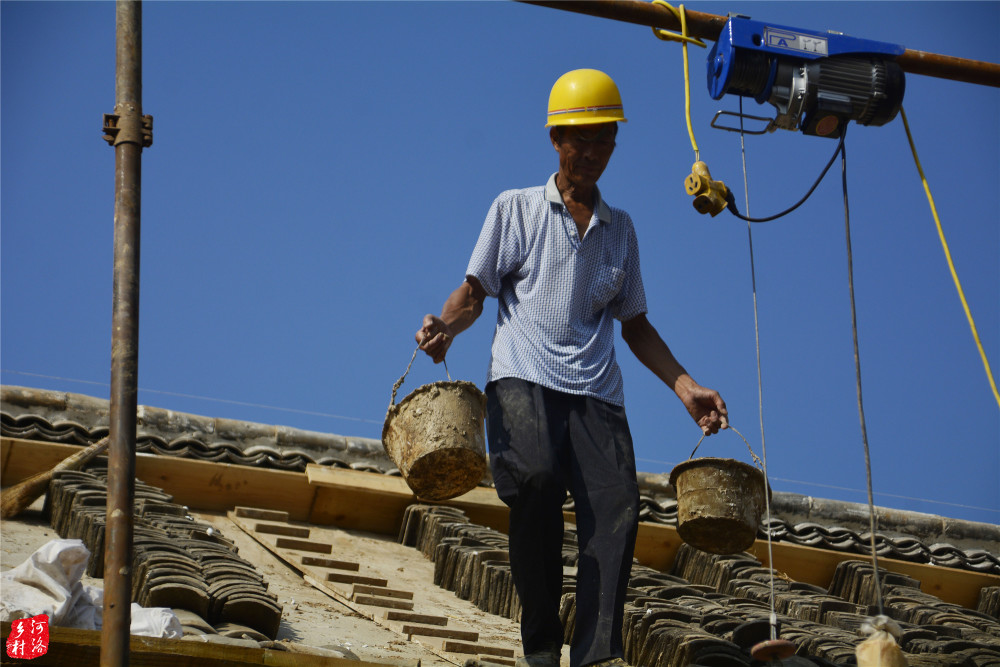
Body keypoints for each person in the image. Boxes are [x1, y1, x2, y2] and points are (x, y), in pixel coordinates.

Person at [415, 69, 728, 667]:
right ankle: (539, 647)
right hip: (522, 378)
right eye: (576, 138)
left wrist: (686, 388)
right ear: (555, 140)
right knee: (531, 482)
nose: (589, 152)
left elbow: (633, 323)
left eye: (602, 139)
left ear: (614, 145)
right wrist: (444, 328)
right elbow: (475, 292)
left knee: (617, 513)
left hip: (595, 395)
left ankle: (593, 655)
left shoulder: (622, 231)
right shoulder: (516, 209)